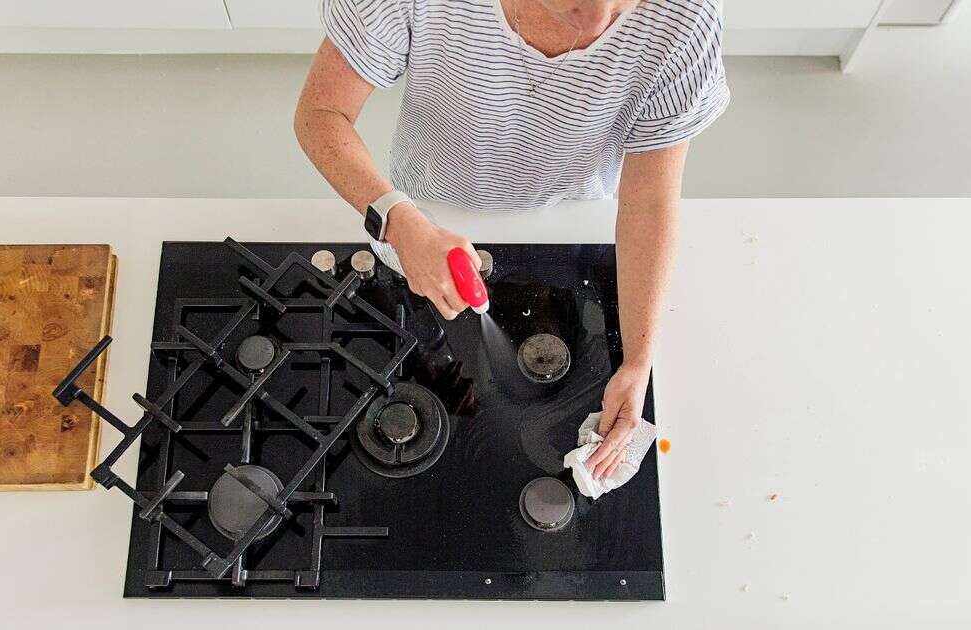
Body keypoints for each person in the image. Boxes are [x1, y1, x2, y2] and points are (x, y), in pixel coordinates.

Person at [294, 0, 729, 482]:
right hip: (428, 208)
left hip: (576, 215)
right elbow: (321, 113)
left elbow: (650, 199)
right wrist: (398, 220)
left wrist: (638, 359)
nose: (600, 20)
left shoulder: (686, 15)